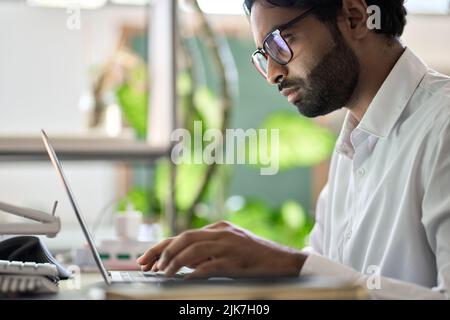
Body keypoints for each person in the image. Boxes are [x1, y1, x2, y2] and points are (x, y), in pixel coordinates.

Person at [138, 0, 450, 299]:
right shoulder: (355, 143)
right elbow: (323, 276)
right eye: (265, 53)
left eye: (281, 43)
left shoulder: (442, 126)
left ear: (354, 17)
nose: (273, 73)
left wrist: (290, 265)